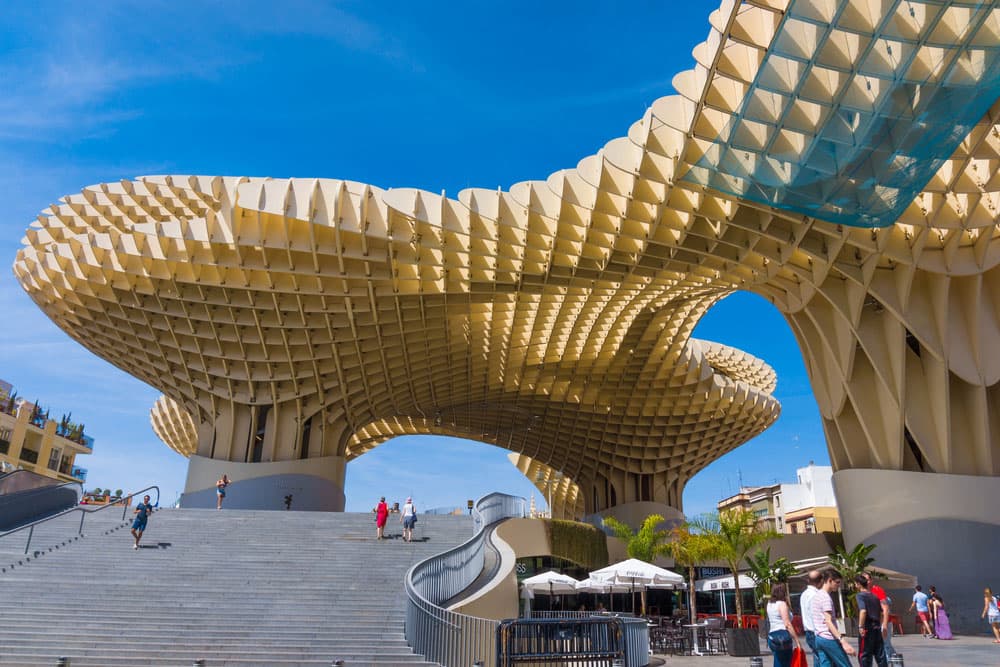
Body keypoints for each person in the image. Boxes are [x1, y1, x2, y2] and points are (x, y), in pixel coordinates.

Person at [812, 568, 857, 667]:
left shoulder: (817, 596)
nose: (838, 585)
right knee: (845, 664)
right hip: (828, 638)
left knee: (825, 664)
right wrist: (842, 640)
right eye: (837, 582)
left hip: (819, 637)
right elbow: (828, 621)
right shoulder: (826, 598)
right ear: (829, 580)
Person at [766, 582, 801, 667]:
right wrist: (797, 640)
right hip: (783, 637)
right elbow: (787, 624)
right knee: (786, 662)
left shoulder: (769, 604)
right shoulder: (782, 604)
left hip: (772, 636)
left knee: (778, 660)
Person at [855, 575, 887, 667]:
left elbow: (863, 611)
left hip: (867, 628)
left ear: (858, 584)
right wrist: (880, 625)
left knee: (864, 655)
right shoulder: (875, 596)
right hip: (876, 627)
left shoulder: (860, 596)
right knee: (880, 654)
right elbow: (881, 613)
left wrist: (861, 626)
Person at [864, 573, 894, 660]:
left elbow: (885, 608)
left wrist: (884, 625)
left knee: (885, 645)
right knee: (885, 646)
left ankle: (891, 662)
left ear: (871, 580)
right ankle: (897, 663)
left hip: (883, 623)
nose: (866, 582)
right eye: (864, 580)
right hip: (874, 624)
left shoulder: (877, 590)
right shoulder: (863, 592)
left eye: (867, 580)